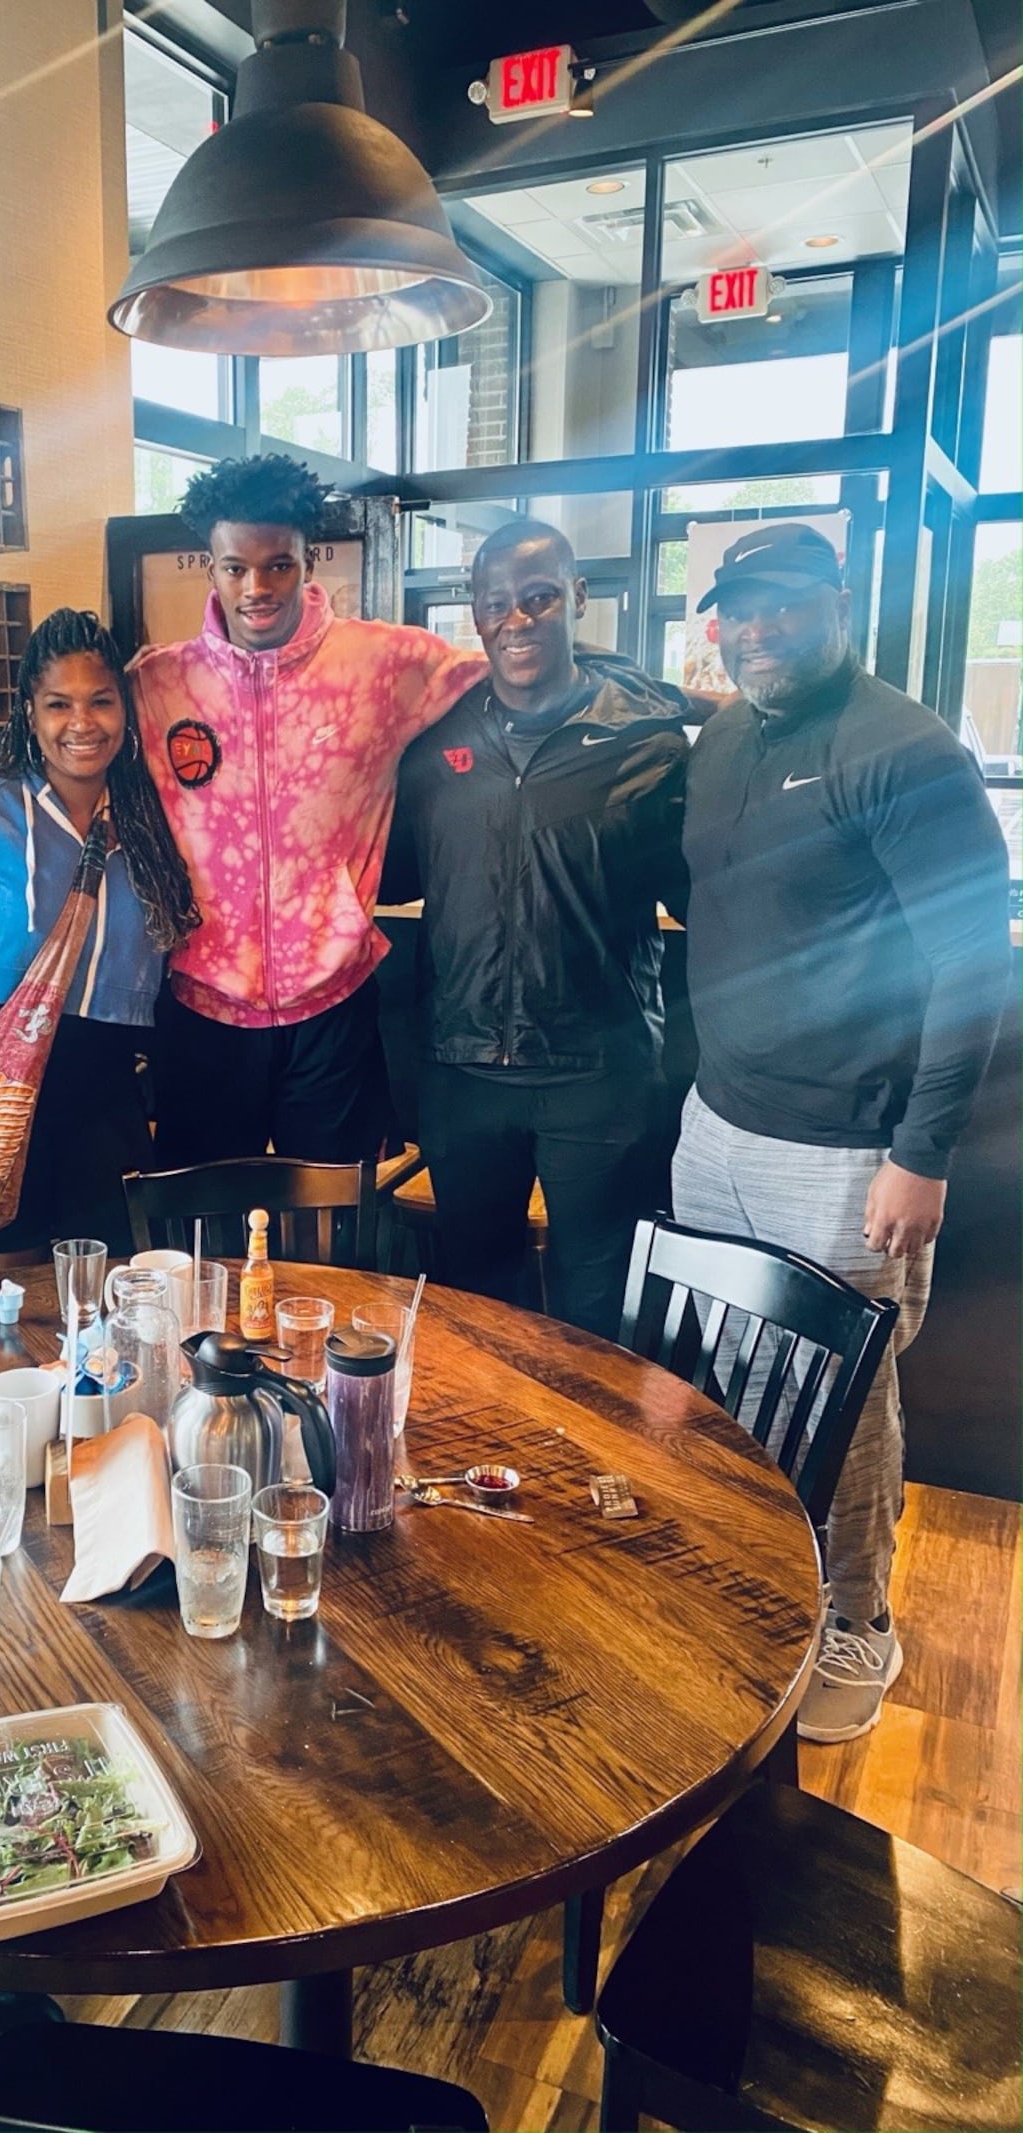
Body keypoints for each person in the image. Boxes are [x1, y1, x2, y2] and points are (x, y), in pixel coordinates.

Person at [676, 521, 1011, 1743]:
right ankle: (762, 1581)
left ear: (835, 599)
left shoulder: (905, 748)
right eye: (737, 607)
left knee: (846, 1397)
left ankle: (859, 1614)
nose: (757, 626)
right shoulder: (721, 736)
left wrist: (920, 1153)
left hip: (848, 1149)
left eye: (781, 603)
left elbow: (974, 966)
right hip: (714, 1122)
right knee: (735, 1374)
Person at [129, 454, 486, 1165]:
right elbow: (63, 747)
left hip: (333, 1004)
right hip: (204, 1005)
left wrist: (668, 700)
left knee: (330, 1238)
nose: (257, 587)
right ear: (211, 568)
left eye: (278, 565)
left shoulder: (379, 664)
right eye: (236, 568)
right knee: (202, 1232)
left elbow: (514, 667)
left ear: (306, 561)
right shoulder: (159, 683)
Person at [385, 519, 693, 1336]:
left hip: (600, 1072)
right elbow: (387, 873)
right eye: (497, 605)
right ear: (475, 615)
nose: (517, 621)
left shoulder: (646, 741)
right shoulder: (434, 746)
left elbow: (706, 891)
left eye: (538, 598)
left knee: (600, 1313)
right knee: (480, 1309)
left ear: (577, 597)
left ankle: (598, 1466)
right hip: (464, 1070)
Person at [0, 607, 198, 1253]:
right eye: (58, 704)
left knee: (111, 1307)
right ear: (30, 711)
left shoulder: (151, 818)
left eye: (101, 701)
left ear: (126, 711)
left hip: (110, 1103)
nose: (82, 724)